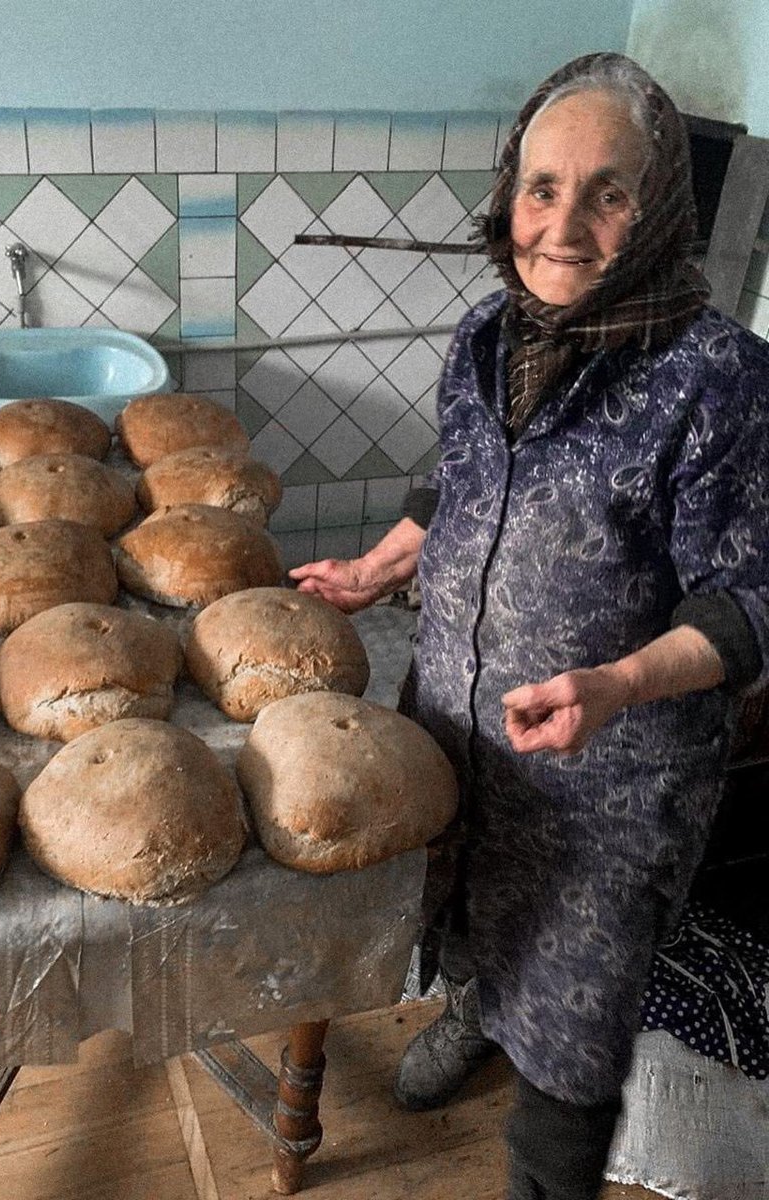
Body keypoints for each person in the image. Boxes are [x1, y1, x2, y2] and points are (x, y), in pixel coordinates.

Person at [290, 52, 769, 1200]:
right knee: (466, 918)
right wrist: (377, 565)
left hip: (609, 775)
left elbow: (751, 600)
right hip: (460, 727)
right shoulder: (485, 338)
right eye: (543, 187)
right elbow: (458, 479)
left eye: (609, 191)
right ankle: (472, 1019)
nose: (564, 224)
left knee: (574, 1031)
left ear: (658, 211)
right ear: (508, 193)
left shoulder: (721, 380)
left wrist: (617, 684)